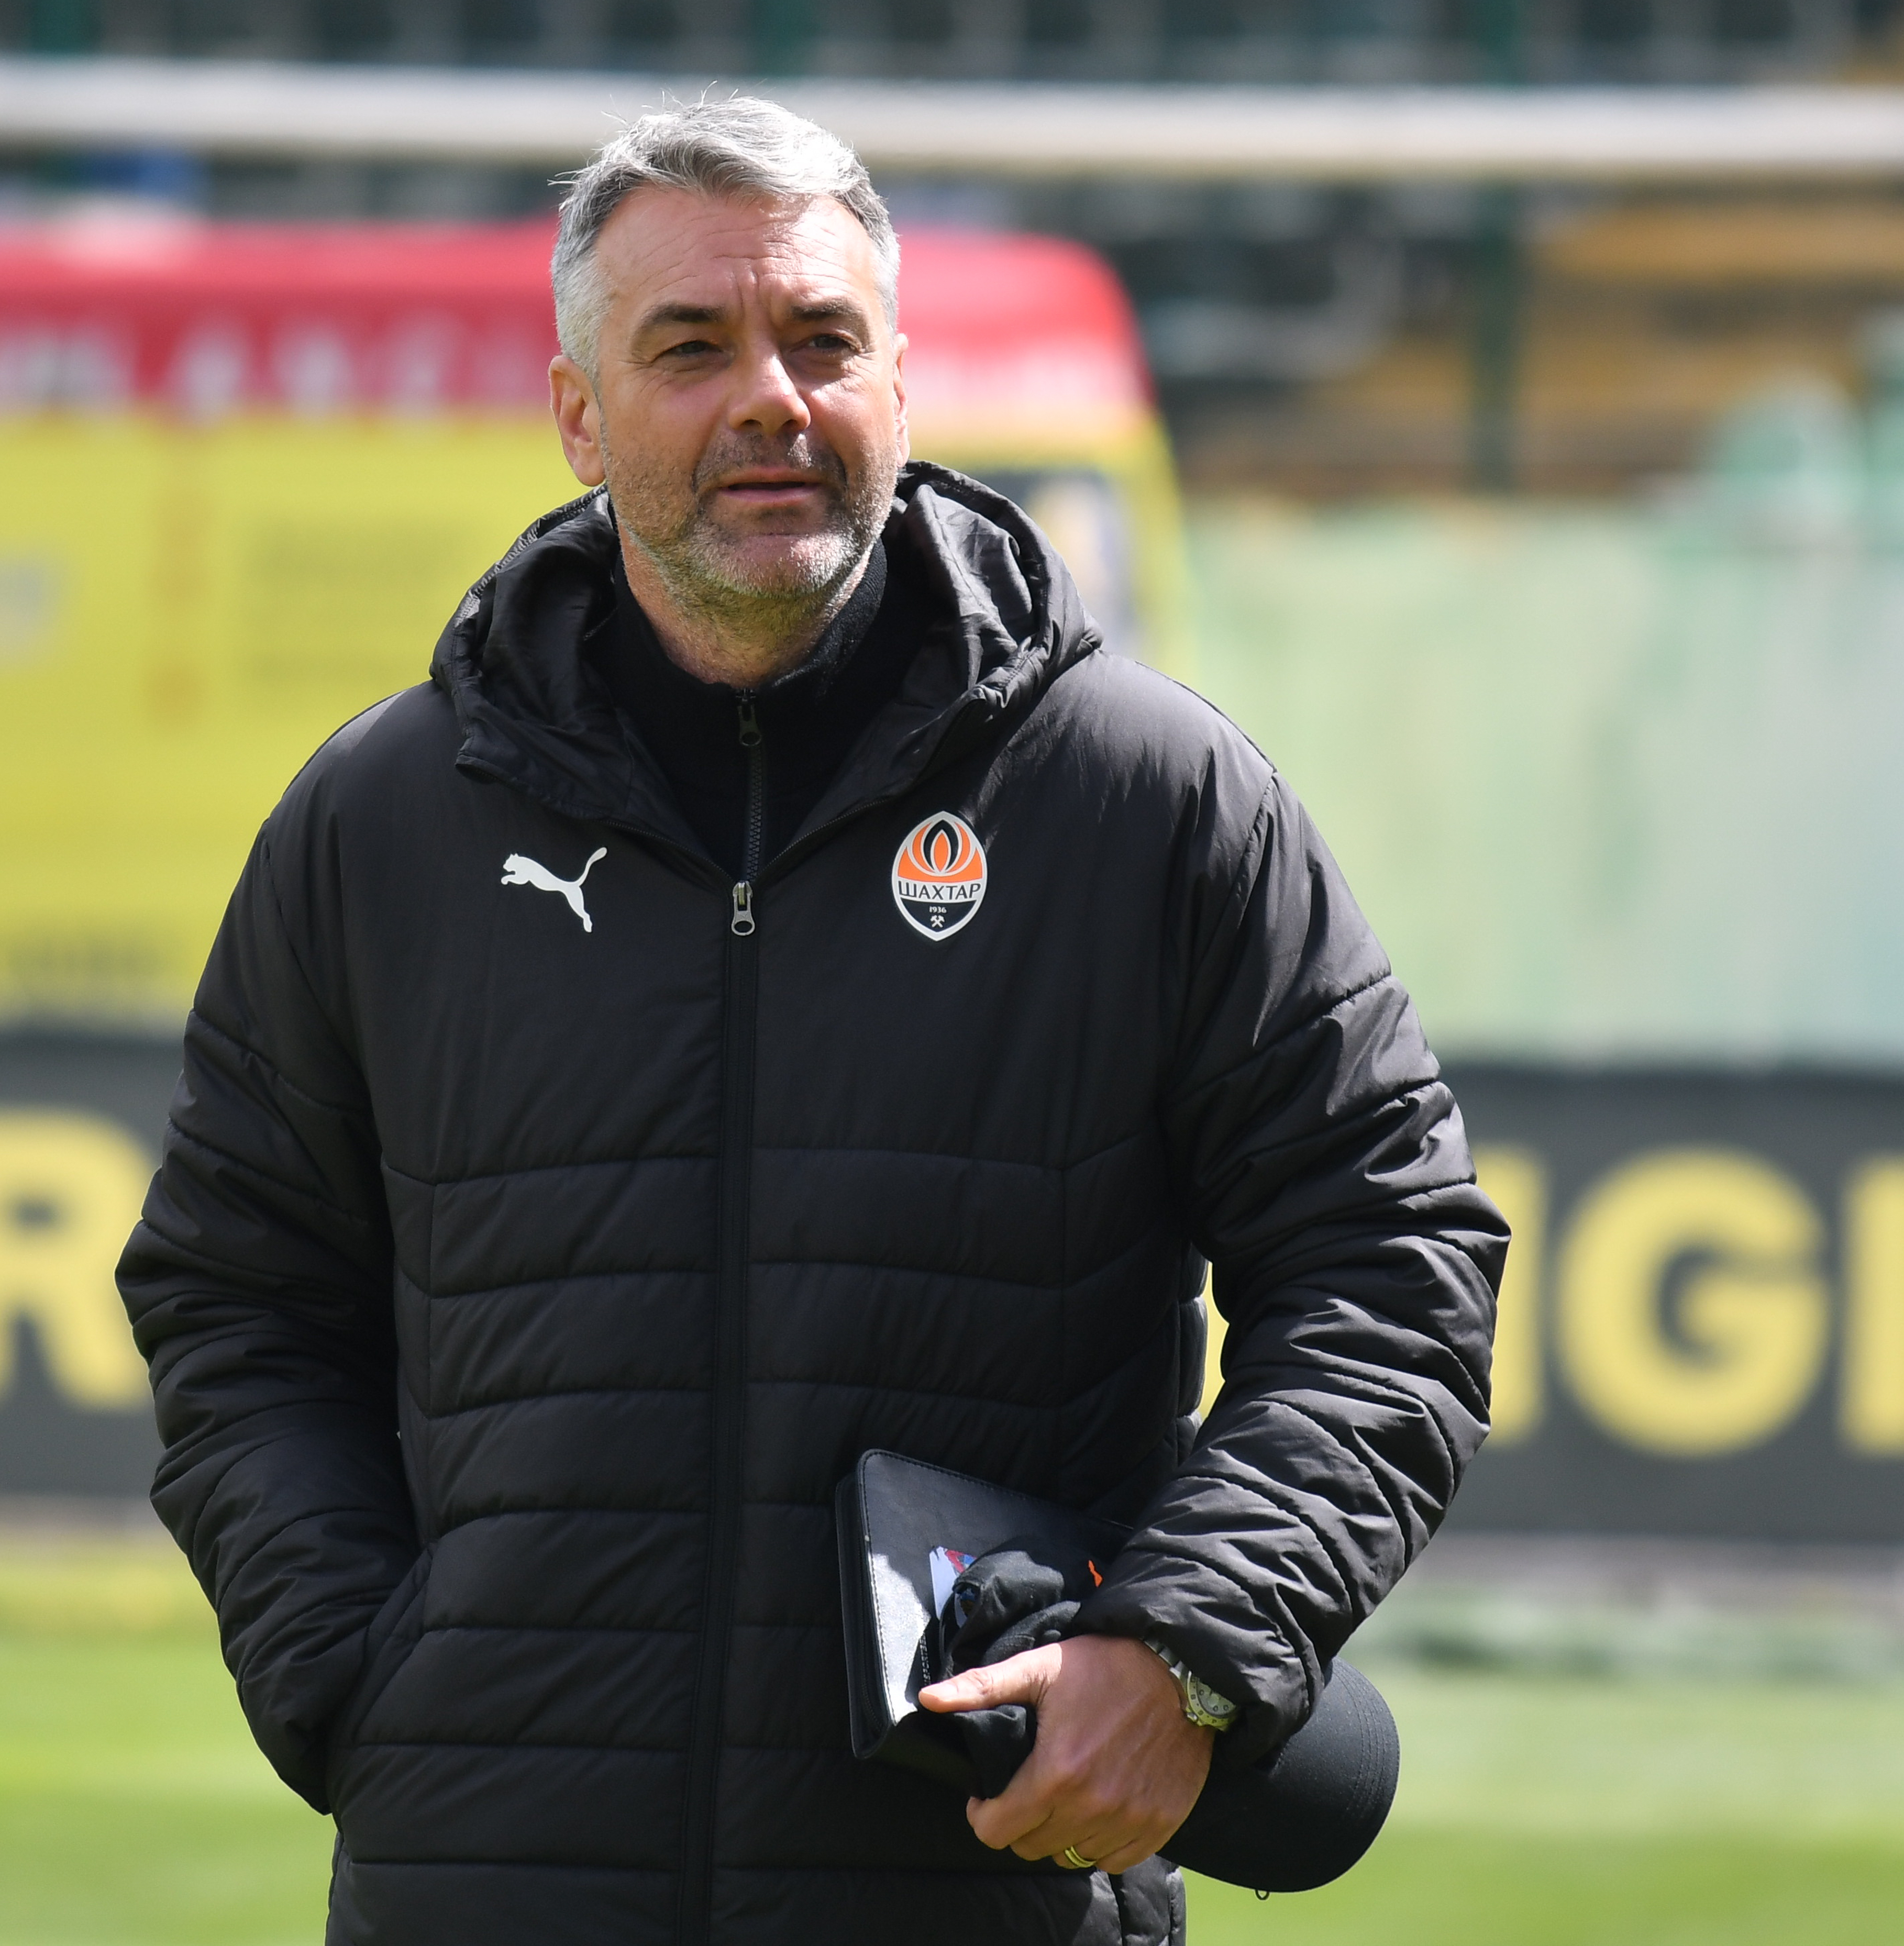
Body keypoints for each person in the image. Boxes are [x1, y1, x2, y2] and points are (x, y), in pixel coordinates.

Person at [118, 98, 1503, 1946]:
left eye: (820, 341)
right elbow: (237, 1295)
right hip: (484, 1885)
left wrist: (1181, 1644)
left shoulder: (1143, 799)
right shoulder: (382, 821)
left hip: (984, 1893)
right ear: (578, 415)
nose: (767, 398)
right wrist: (359, 1677)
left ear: (898, 388)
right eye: (689, 347)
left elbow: (1389, 1260)